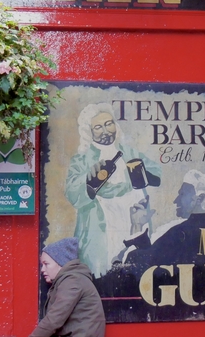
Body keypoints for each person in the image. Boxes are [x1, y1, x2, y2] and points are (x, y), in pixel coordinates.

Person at [65, 103, 162, 277]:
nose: (105, 130)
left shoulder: (129, 152)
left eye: (109, 124)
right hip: (103, 228)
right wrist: (90, 179)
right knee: (105, 275)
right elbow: (73, 194)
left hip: (134, 221)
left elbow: (157, 175)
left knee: (137, 271)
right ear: (89, 132)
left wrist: (141, 174)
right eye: (98, 127)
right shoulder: (82, 160)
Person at [11, 237, 105, 337]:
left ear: (61, 263)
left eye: (46, 264)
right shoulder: (71, 280)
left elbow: (53, 321)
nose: (43, 269)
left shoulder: (72, 282)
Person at [125, 169, 205, 267]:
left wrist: (136, 225)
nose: (176, 201)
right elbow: (156, 258)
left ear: (199, 198)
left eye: (182, 194)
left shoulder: (182, 233)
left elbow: (144, 263)